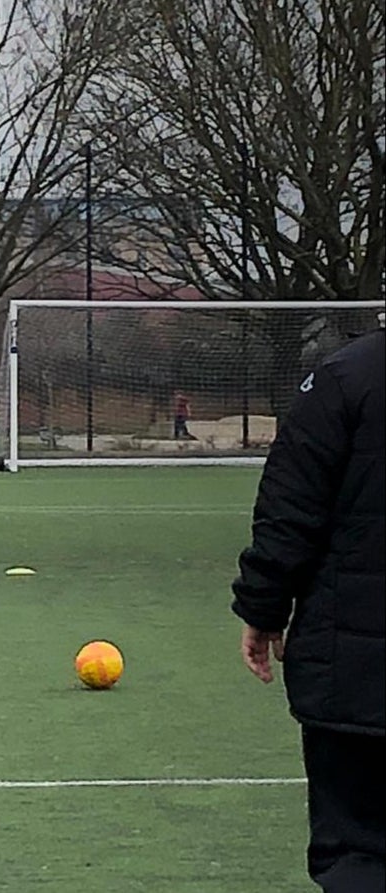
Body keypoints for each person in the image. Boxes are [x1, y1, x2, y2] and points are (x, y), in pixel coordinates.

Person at [231, 328, 384, 892]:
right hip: (355, 662)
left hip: (355, 670)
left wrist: (263, 607)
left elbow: (289, 511)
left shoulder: (345, 379)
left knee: (359, 854)